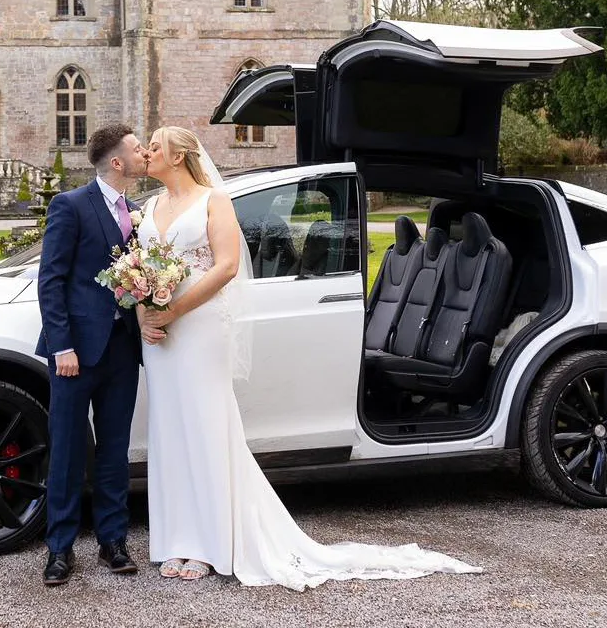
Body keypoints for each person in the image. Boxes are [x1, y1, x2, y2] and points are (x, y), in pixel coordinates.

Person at [135, 125, 481, 589]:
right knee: (169, 429)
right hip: (160, 335)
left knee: (203, 425)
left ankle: (209, 543)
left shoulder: (213, 201)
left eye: (155, 146)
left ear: (179, 156)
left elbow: (227, 266)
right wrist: (146, 314)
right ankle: (177, 537)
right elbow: (137, 268)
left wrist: (175, 308)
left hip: (198, 328)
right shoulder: (150, 207)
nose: (147, 151)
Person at [33, 123, 148, 586]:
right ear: (116, 162)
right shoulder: (71, 205)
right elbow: (51, 280)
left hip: (123, 349)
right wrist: (62, 345)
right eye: (138, 150)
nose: (145, 154)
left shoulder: (138, 212)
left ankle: (113, 540)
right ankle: (59, 549)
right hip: (75, 352)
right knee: (66, 450)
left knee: (115, 449)